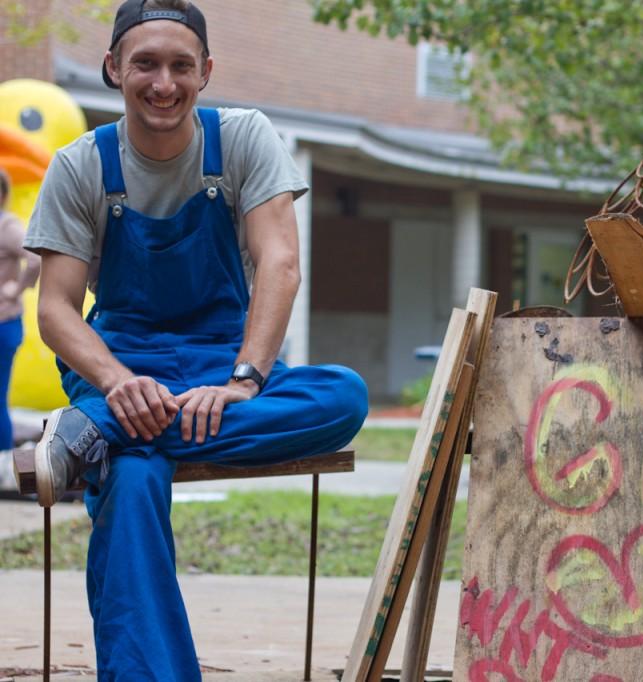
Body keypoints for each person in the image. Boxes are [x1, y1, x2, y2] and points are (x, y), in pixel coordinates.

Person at [18, 0, 369, 678]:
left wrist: (243, 382)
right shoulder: (79, 166)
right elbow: (57, 311)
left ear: (206, 71)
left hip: (221, 363)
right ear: (113, 68)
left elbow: (280, 263)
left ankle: (87, 433)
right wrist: (119, 387)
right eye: (145, 63)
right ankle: (105, 426)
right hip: (121, 363)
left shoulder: (241, 139)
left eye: (182, 65)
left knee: (343, 398)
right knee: (133, 477)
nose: (163, 83)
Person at [0, 168, 41, 452]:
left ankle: (2, 462)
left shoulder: (8, 226)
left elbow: (36, 258)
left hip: (3, 322)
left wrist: (17, 288)